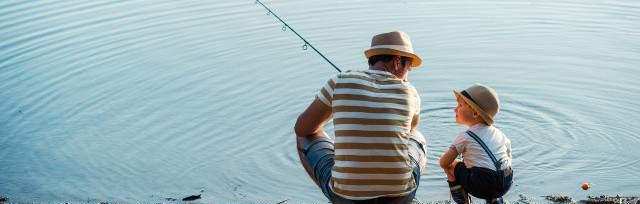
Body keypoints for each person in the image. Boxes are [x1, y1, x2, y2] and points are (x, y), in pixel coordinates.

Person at [294, 31, 427, 203]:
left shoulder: (339, 81)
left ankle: (339, 192)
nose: (408, 73)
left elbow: (302, 129)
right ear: (397, 62)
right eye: (409, 68)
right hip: (399, 196)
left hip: (346, 197)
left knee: (304, 135)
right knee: (418, 138)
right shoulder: (410, 92)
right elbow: (410, 131)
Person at [439, 84, 513, 204]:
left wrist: (446, 160)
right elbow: (508, 157)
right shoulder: (500, 134)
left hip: (482, 184)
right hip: (506, 180)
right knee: (491, 166)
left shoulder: (465, 137)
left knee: (451, 165)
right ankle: (495, 200)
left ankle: (463, 201)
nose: (455, 109)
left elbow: (444, 162)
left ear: (475, 114)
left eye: (460, 105)